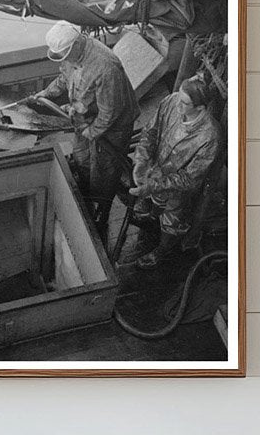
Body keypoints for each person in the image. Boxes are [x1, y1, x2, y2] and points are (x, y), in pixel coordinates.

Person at [25, 21, 137, 238]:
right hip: (84, 117)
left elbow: (110, 112)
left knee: (105, 171)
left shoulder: (106, 66)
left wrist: (92, 132)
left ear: (76, 43)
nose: (64, 59)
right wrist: (45, 94)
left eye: (66, 53)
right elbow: (64, 78)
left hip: (112, 128)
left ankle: (101, 213)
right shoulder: (71, 57)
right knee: (82, 157)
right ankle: (86, 192)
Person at [128, 72, 222, 269]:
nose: (177, 105)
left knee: (172, 220)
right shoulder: (171, 102)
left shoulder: (210, 136)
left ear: (200, 108)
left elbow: (189, 179)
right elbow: (150, 131)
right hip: (154, 168)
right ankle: (152, 214)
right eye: (178, 98)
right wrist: (142, 159)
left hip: (176, 189)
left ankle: (162, 250)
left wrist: (155, 185)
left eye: (184, 103)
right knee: (154, 203)